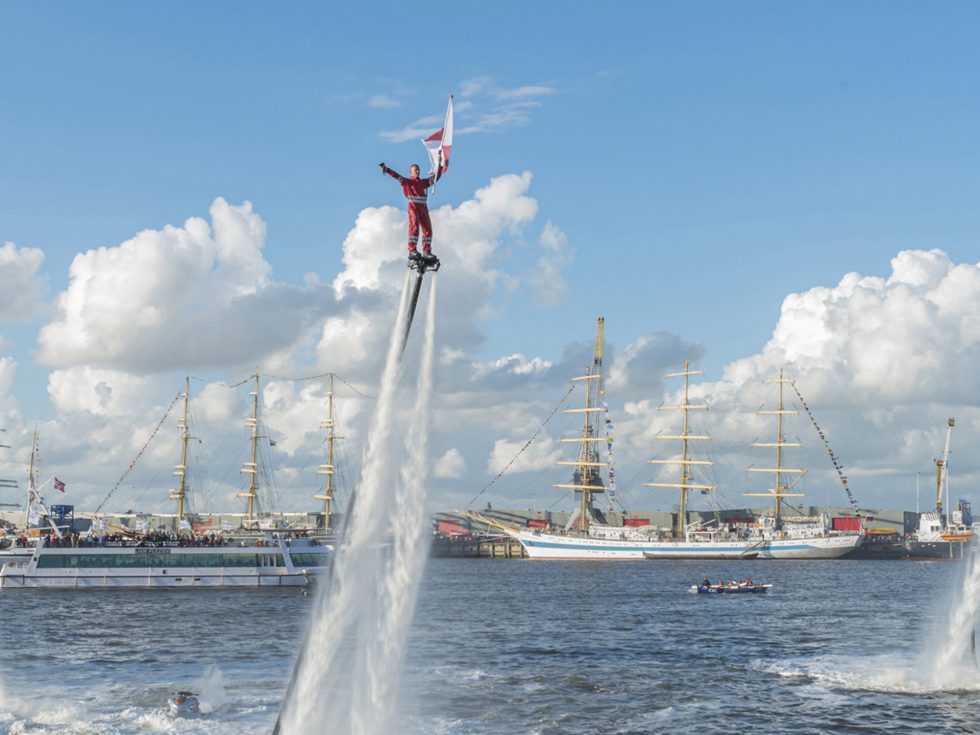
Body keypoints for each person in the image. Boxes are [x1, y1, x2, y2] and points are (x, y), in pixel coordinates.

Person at [379, 160, 447, 264]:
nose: (418, 171)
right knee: (414, 226)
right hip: (413, 206)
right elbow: (397, 176)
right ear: (411, 172)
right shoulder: (407, 182)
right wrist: (387, 170)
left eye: (418, 169)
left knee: (428, 229)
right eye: (415, 170)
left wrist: (440, 164)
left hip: (423, 207)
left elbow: (435, 178)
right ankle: (412, 249)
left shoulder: (424, 183)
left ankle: (426, 251)